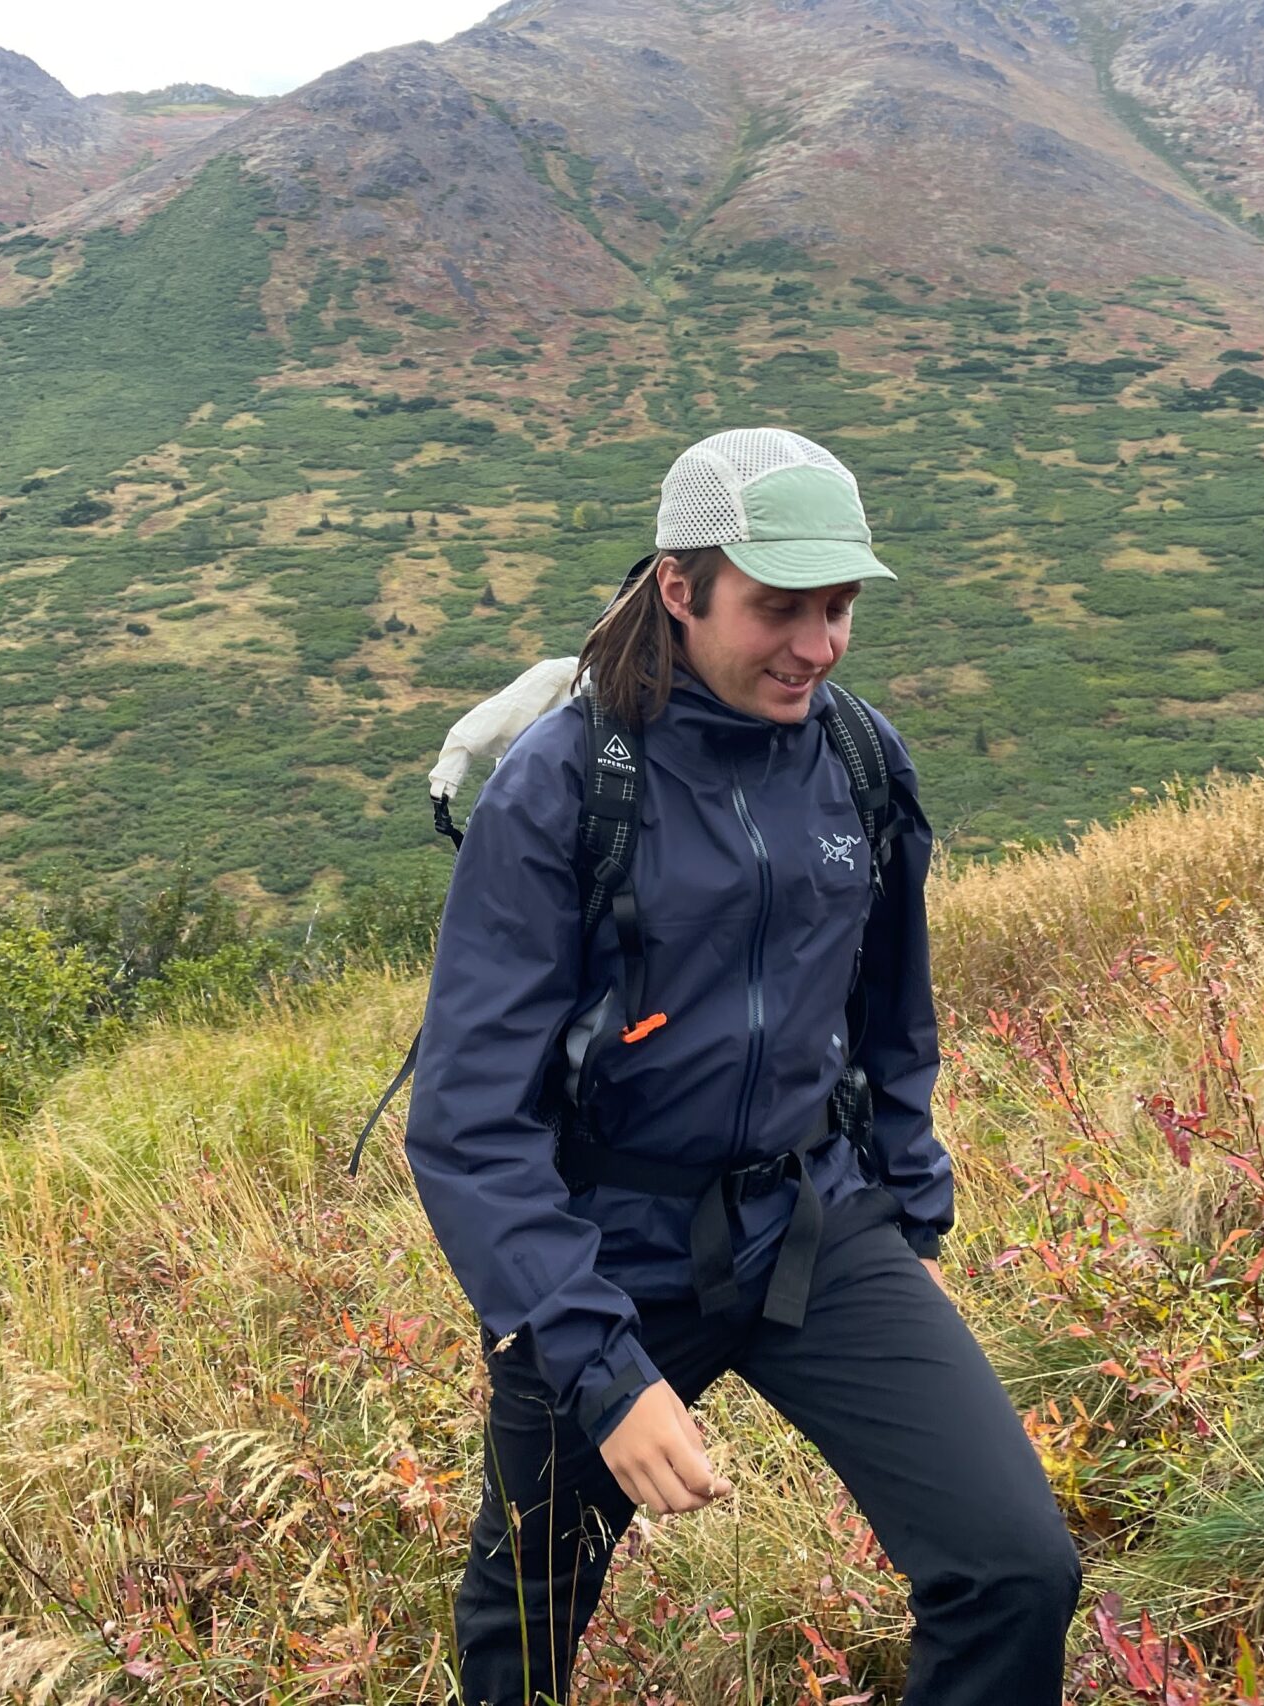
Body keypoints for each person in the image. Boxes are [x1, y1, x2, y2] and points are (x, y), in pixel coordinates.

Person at [403, 428, 1083, 1704]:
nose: (817, 647)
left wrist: (907, 1195)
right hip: (603, 1246)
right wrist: (602, 1369)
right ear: (679, 587)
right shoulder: (564, 786)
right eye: (779, 608)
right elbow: (466, 1125)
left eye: (838, 609)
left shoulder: (858, 759)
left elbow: (893, 1010)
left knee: (1017, 1570)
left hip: (816, 1223)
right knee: (526, 1618)